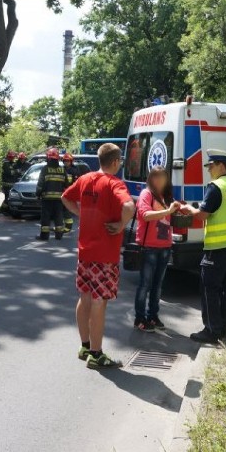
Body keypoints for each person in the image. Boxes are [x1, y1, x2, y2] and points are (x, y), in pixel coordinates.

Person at [62, 143, 135, 368]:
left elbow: (65, 197)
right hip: (105, 256)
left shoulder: (86, 179)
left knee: (84, 297)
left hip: (85, 252)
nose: (121, 164)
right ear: (114, 162)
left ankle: (85, 347)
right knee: (99, 302)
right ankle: (97, 353)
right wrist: (122, 224)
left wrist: (81, 213)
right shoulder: (115, 183)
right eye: (121, 161)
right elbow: (129, 206)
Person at [180, 149, 226, 344]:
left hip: (217, 246)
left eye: (211, 166)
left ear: (221, 166)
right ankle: (224, 327)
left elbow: (202, 215)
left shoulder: (215, 187)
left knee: (209, 287)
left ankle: (212, 330)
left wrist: (189, 209)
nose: (209, 170)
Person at [134, 167, 181, 332]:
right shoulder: (146, 194)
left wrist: (178, 209)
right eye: (156, 177)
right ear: (150, 179)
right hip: (149, 247)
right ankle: (140, 318)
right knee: (145, 285)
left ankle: (153, 316)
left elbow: (170, 217)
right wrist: (168, 211)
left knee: (158, 286)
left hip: (165, 247)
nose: (160, 180)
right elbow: (145, 215)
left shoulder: (166, 196)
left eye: (163, 177)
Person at [36, 147, 69, 240]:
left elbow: (40, 184)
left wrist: (37, 194)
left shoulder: (45, 169)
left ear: (48, 158)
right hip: (59, 199)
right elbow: (66, 184)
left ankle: (44, 236)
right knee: (59, 217)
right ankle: (59, 235)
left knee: (45, 218)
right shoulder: (62, 170)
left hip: (47, 199)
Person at [62, 152, 83, 232]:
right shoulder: (62, 169)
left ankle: (68, 226)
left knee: (67, 209)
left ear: (71, 161)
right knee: (63, 209)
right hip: (63, 191)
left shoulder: (75, 170)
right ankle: (66, 225)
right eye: (65, 161)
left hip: (71, 192)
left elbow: (77, 183)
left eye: (68, 161)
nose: (66, 162)